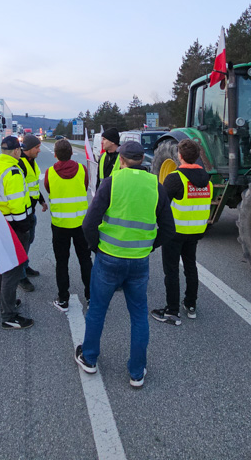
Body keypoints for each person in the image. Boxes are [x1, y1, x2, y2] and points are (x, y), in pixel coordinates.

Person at [75, 141, 175, 388]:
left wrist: (97, 248)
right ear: (143, 160)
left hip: (109, 257)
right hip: (139, 261)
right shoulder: (156, 186)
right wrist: (148, 246)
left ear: (121, 160)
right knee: (139, 314)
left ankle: (89, 358)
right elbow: (168, 229)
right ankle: (137, 372)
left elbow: (88, 224)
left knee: (98, 309)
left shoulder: (112, 182)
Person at [151, 139, 212, 325]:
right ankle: (191, 305)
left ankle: (172, 311)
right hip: (196, 230)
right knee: (190, 266)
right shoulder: (207, 178)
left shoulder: (175, 178)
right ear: (198, 156)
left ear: (179, 155)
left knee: (171, 271)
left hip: (175, 232)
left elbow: (161, 204)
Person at [0, 135, 35, 329]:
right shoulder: (13, 171)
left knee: (3, 266)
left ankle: (5, 302)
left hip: (1, 222)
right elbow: (16, 205)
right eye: (19, 150)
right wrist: (25, 226)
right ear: (16, 151)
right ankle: (9, 315)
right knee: (12, 269)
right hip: (15, 225)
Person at [44, 138, 92, 311]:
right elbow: (85, 187)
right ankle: (91, 296)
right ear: (72, 153)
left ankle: (63, 298)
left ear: (55, 155)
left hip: (60, 224)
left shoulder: (50, 172)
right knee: (85, 260)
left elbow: (49, 189)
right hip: (81, 224)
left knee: (62, 261)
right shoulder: (82, 169)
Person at [17, 133, 48, 290]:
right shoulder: (20, 164)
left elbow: (33, 185)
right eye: (37, 147)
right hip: (23, 212)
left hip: (31, 210)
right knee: (23, 244)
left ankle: (25, 266)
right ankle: (21, 276)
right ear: (28, 149)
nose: (39, 150)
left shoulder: (31, 161)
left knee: (29, 241)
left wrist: (41, 200)